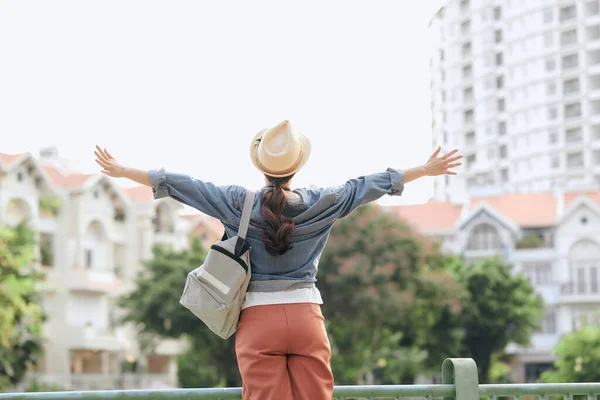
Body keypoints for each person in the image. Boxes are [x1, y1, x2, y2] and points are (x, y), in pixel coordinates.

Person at [94, 120, 462, 400]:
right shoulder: (326, 200)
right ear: (297, 166)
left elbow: (184, 184)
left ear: (262, 167)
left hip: (258, 322)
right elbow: (373, 183)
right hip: (306, 318)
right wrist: (425, 171)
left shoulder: (238, 202)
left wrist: (125, 171)